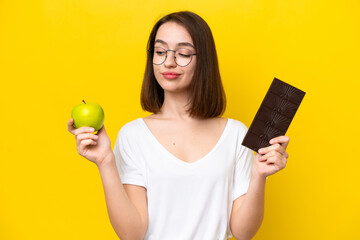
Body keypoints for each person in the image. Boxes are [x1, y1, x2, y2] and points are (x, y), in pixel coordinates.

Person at [67, 11, 289, 240]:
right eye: (160, 52)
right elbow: (132, 234)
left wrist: (258, 175)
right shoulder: (133, 135)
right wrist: (105, 162)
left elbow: (244, 233)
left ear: (204, 60)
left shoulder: (235, 134)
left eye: (183, 53)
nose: (169, 62)